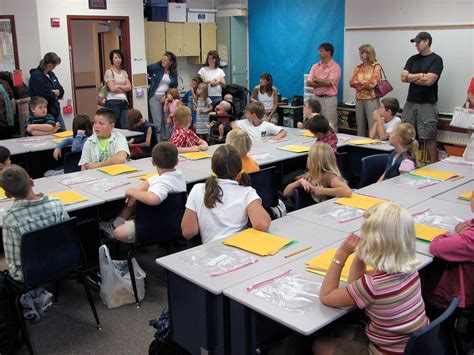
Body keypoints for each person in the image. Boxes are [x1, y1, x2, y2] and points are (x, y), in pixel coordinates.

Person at [314, 202, 429, 355]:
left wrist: (340, 255)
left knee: (318, 344)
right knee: (340, 329)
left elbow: (326, 296)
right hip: (411, 345)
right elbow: (355, 284)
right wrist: (362, 253)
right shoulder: (409, 268)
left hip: (388, 351)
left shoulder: (372, 286)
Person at [1, 165, 69, 321]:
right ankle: (39, 292)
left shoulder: (10, 219)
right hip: (64, 261)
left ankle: (33, 293)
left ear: (7, 194)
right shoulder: (56, 203)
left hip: (32, 273)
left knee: (7, 266)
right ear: (32, 182)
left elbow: (15, 262)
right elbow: (66, 238)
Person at [181, 145, 271, 244]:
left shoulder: (197, 189)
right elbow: (262, 224)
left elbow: (188, 232)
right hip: (239, 249)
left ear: (213, 169)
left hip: (210, 253)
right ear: (238, 175)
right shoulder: (246, 192)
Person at [99, 142, 187, 242]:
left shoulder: (162, 183)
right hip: (176, 221)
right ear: (177, 161)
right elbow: (152, 180)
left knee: (118, 232)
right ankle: (116, 223)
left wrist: (133, 192)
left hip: (154, 224)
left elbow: (154, 199)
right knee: (138, 196)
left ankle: (116, 227)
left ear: (153, 162)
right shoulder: (177, 175)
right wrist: (136, 193)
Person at [426, 191, 474, 310]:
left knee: (420, 274)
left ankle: (433, 312)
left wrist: (447, 235)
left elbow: (436, 247)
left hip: (462, 293)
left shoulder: (470, 239)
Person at [401, 32, 443, 163]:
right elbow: (403, 77)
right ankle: (407, 162)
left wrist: (411, 77)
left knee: (429, 135)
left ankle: (434, 165)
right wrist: (421, 75)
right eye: (415, 43)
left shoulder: (436, 60)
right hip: (410, 102)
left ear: (427, 42)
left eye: (418, 42)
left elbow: (429, 81)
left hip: (427, 103)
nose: (416, 45)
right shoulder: (413, 59)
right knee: (406, 134)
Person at [283, 143, 351, 203]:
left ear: (316, 162)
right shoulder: (308, 175)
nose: (307, 159)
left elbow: (347, 191)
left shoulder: (329, 177)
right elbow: (285, 193)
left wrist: (322, 191)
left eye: (309, 156)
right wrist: (298, 182)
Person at [306, 43, 341, 132]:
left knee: (330, 123)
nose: (319, 53)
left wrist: (316, 79)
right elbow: (309, 82)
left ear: (328, 52)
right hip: (316, 98)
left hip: (329, 99)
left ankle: (332, 143)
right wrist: (323, 81)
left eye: (321, 51)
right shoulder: (315, 66)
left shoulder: (335, 67)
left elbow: (329, 82)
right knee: (313, 122)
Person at [349, 44, 382, 136]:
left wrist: (359, 85)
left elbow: (372, 84)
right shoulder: (358, 67)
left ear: (369, 53)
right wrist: (364, 83)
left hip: (371, 98)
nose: (360, 55)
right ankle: (360, 144)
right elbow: (351, 82)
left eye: (362, 53)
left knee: (373, 124)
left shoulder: (376, 67)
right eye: (360, 53)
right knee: (360, 125)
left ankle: (374, 145)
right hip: (359, 98)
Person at [28, 52, 66, 131]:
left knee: (63, 132)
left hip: (55, 110)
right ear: (50, 65)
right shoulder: (36, 76)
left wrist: (56, 92)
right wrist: (55, 93)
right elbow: (45, 94)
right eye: (55, 65)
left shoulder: (51, 74)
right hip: (43, 112)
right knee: (48, 134)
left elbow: (61, 90)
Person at [148, 51, 178, 141]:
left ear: (171, 62)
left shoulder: (173, 72)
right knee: (158, 122)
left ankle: (169, 142)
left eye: (166, 60)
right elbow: (144, 70)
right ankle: (159, 143)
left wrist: (166, 96)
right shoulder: (156, 67)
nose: (163, 61)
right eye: (163, 59)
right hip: (154, 97)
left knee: (168, 121)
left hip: (166, 98)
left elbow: (174, 86)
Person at [104, 49, 131, 129]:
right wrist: (123, 88)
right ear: (112, 59)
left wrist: (118, 86)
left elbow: (129, 87)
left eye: (119, 58)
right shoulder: (109, 72)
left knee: (126, 125)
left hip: (124, 102)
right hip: (113, 101)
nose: (118, 60)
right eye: (115, 58)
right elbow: (112, 88)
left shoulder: (124, 72)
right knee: (115, 125)